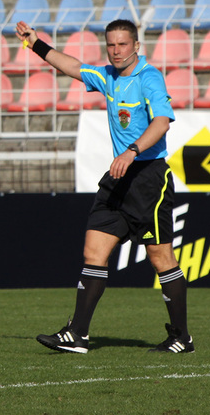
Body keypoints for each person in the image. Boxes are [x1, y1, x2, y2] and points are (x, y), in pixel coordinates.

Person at [15, 19, 192, 355]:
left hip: (148, 177)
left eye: (123, 44)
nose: (116, 50)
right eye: (111, 44)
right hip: (118, 178)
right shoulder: (108, 76)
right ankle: (78, 334)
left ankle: (182, 337)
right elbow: (72, 67)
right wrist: (35, 43)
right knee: (93, 252)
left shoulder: (149, 77)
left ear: (136, 46)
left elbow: (162, 122)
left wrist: (132, 151)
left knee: (161, 257)